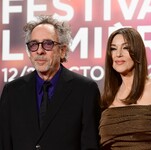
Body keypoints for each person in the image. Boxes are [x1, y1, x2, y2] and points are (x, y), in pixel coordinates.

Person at [0, 15, 101, 150]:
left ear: (62, 50)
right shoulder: (12, 91)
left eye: (48, 44)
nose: (40, 51)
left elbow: (90, 145)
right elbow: (4, 143)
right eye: (34, 45)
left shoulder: (85, 89)